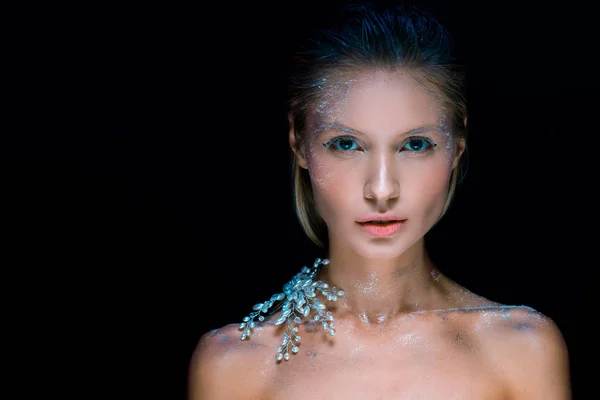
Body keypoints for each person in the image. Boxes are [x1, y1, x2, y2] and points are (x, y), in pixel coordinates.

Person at [187, 2, 571, 399]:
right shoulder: (236, 364)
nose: (382, 189)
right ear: (299, 144)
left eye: (415, 144)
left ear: (458, 145)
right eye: (347, 144)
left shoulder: (522, 350)